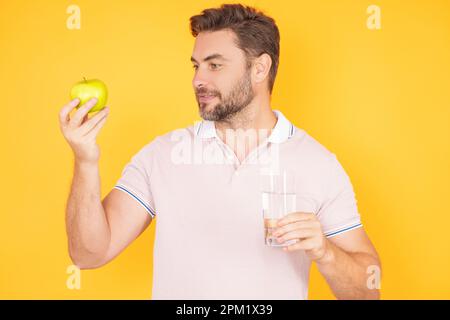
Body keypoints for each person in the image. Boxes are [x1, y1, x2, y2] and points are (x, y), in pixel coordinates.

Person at [58, 3, 381, 300]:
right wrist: (86, 161)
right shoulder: (162, 155)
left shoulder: (318, 164)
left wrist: (324, 251)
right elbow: (88, 254)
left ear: (259, 68)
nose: (198, 79)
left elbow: (369, 290)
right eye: (196, 66)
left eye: (215, 65)